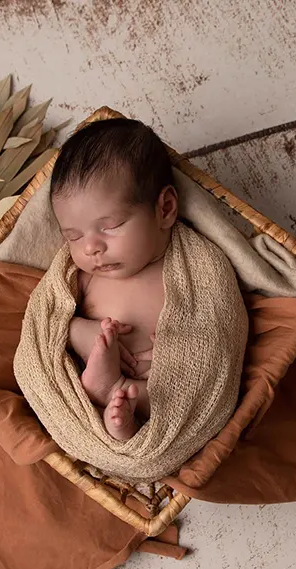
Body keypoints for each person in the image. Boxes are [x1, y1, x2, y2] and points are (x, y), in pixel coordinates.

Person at [50, 117, 177, 440]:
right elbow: (49, 322)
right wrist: (86, 333)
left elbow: (217, 324)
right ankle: (111, 406)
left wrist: (179, 354)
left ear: (164, 209)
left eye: (109, 226)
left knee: (163, 400)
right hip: (90, 382)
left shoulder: (191, 268)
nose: (91, 247)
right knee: (117, 396)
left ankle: (125, 427)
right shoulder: (81, 277)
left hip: (160, 386)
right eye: (74, 236)